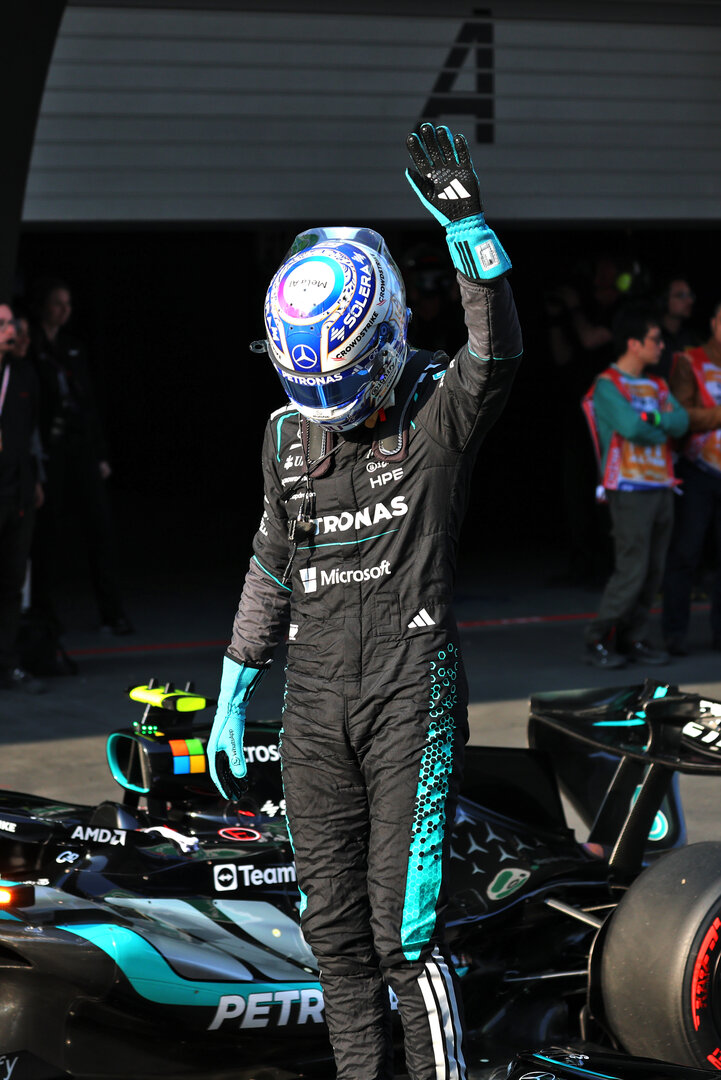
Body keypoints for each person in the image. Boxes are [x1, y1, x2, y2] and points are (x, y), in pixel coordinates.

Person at [206, 123, 522, 1080]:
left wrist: (468, 232)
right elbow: (272, 560)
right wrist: (233, 686)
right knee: (332, 933)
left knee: (401, 935)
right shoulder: (283, 436)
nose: (325, 398)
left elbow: (495, 355)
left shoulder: (436, 405)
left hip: (407, 690)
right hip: (312, 699)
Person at [582, 305, 688, 669]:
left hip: (661, 485)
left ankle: (633, 637)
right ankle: (598, 638)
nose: (662, 346)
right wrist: (659, 423)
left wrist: (652, 418)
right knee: (632, 571)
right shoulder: (607, 384)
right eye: (655, 340)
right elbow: (632, 429)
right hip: (628, 488)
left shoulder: (658, 384)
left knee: (654, 571)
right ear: (634, 343)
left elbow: (681, 421)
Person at [28, 278, 132, 634]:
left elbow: (88, 403)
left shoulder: (72, 348)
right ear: (43, 305)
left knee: (100, 528)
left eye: (68, 304)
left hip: (81, 447)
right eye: (57, 303)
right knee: (47, 533)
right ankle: (42, 613)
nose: (64, 310)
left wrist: (100, 454)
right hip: (49, 452)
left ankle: (112, 612)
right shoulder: (32, 347)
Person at [662, 300, 721, 654]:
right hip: (698, 470)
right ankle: (674, 633)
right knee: (686, 552)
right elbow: (681, 415)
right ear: (714, 322)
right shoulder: (691, 360)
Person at [0, 301, 46, 692]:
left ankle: (7, 662)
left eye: (12, 323)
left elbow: (33, 433)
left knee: (12, 581)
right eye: (3, 324)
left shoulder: (23, 374)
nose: (11, 331)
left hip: (16, 491)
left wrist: (36, 480)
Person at [656, 277, 697, 381]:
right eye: (681, 296)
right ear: (664, 300)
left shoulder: (692, 338)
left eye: (690, 296)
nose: (690, 301)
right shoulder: (652, 336)